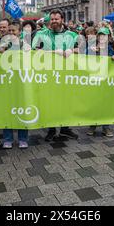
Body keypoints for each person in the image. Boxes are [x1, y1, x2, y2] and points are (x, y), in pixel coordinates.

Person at [32, 10, 79, 142]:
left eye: (56, 19)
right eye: (51, 19)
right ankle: (51, 129)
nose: (53, 21)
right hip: (48, 74)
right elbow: (34, 51)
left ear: (62, 19)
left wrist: (72, 50)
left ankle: (65, 128)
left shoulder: (72, 34)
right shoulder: (41, 34)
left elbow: (81, 48)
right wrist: (53, 52)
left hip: (67, 74)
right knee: (50, 101)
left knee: (66, 100)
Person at [0, 22, 30, 149]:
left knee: (23, 109)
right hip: (6, 82)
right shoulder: (1, 43)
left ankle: (23, 138)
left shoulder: (25, 44)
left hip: (22, 82)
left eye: (14, 31)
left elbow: (30, 57)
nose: (11, 33)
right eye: (9, 30)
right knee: (7, 110)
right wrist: (0, 51)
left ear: (19, 32)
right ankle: (8, 139)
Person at [87, 28, 114, 138]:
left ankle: (106, 127)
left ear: (108, 37)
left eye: (104, 36)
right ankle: (93, 125)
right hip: (94, 81)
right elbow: (82, 59)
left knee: (106, 104)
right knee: (95, 103)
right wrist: (91, 52)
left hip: (106, 81)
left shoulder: (110, 49)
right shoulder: (91, 47)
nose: (102, 38)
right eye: (100, 35)